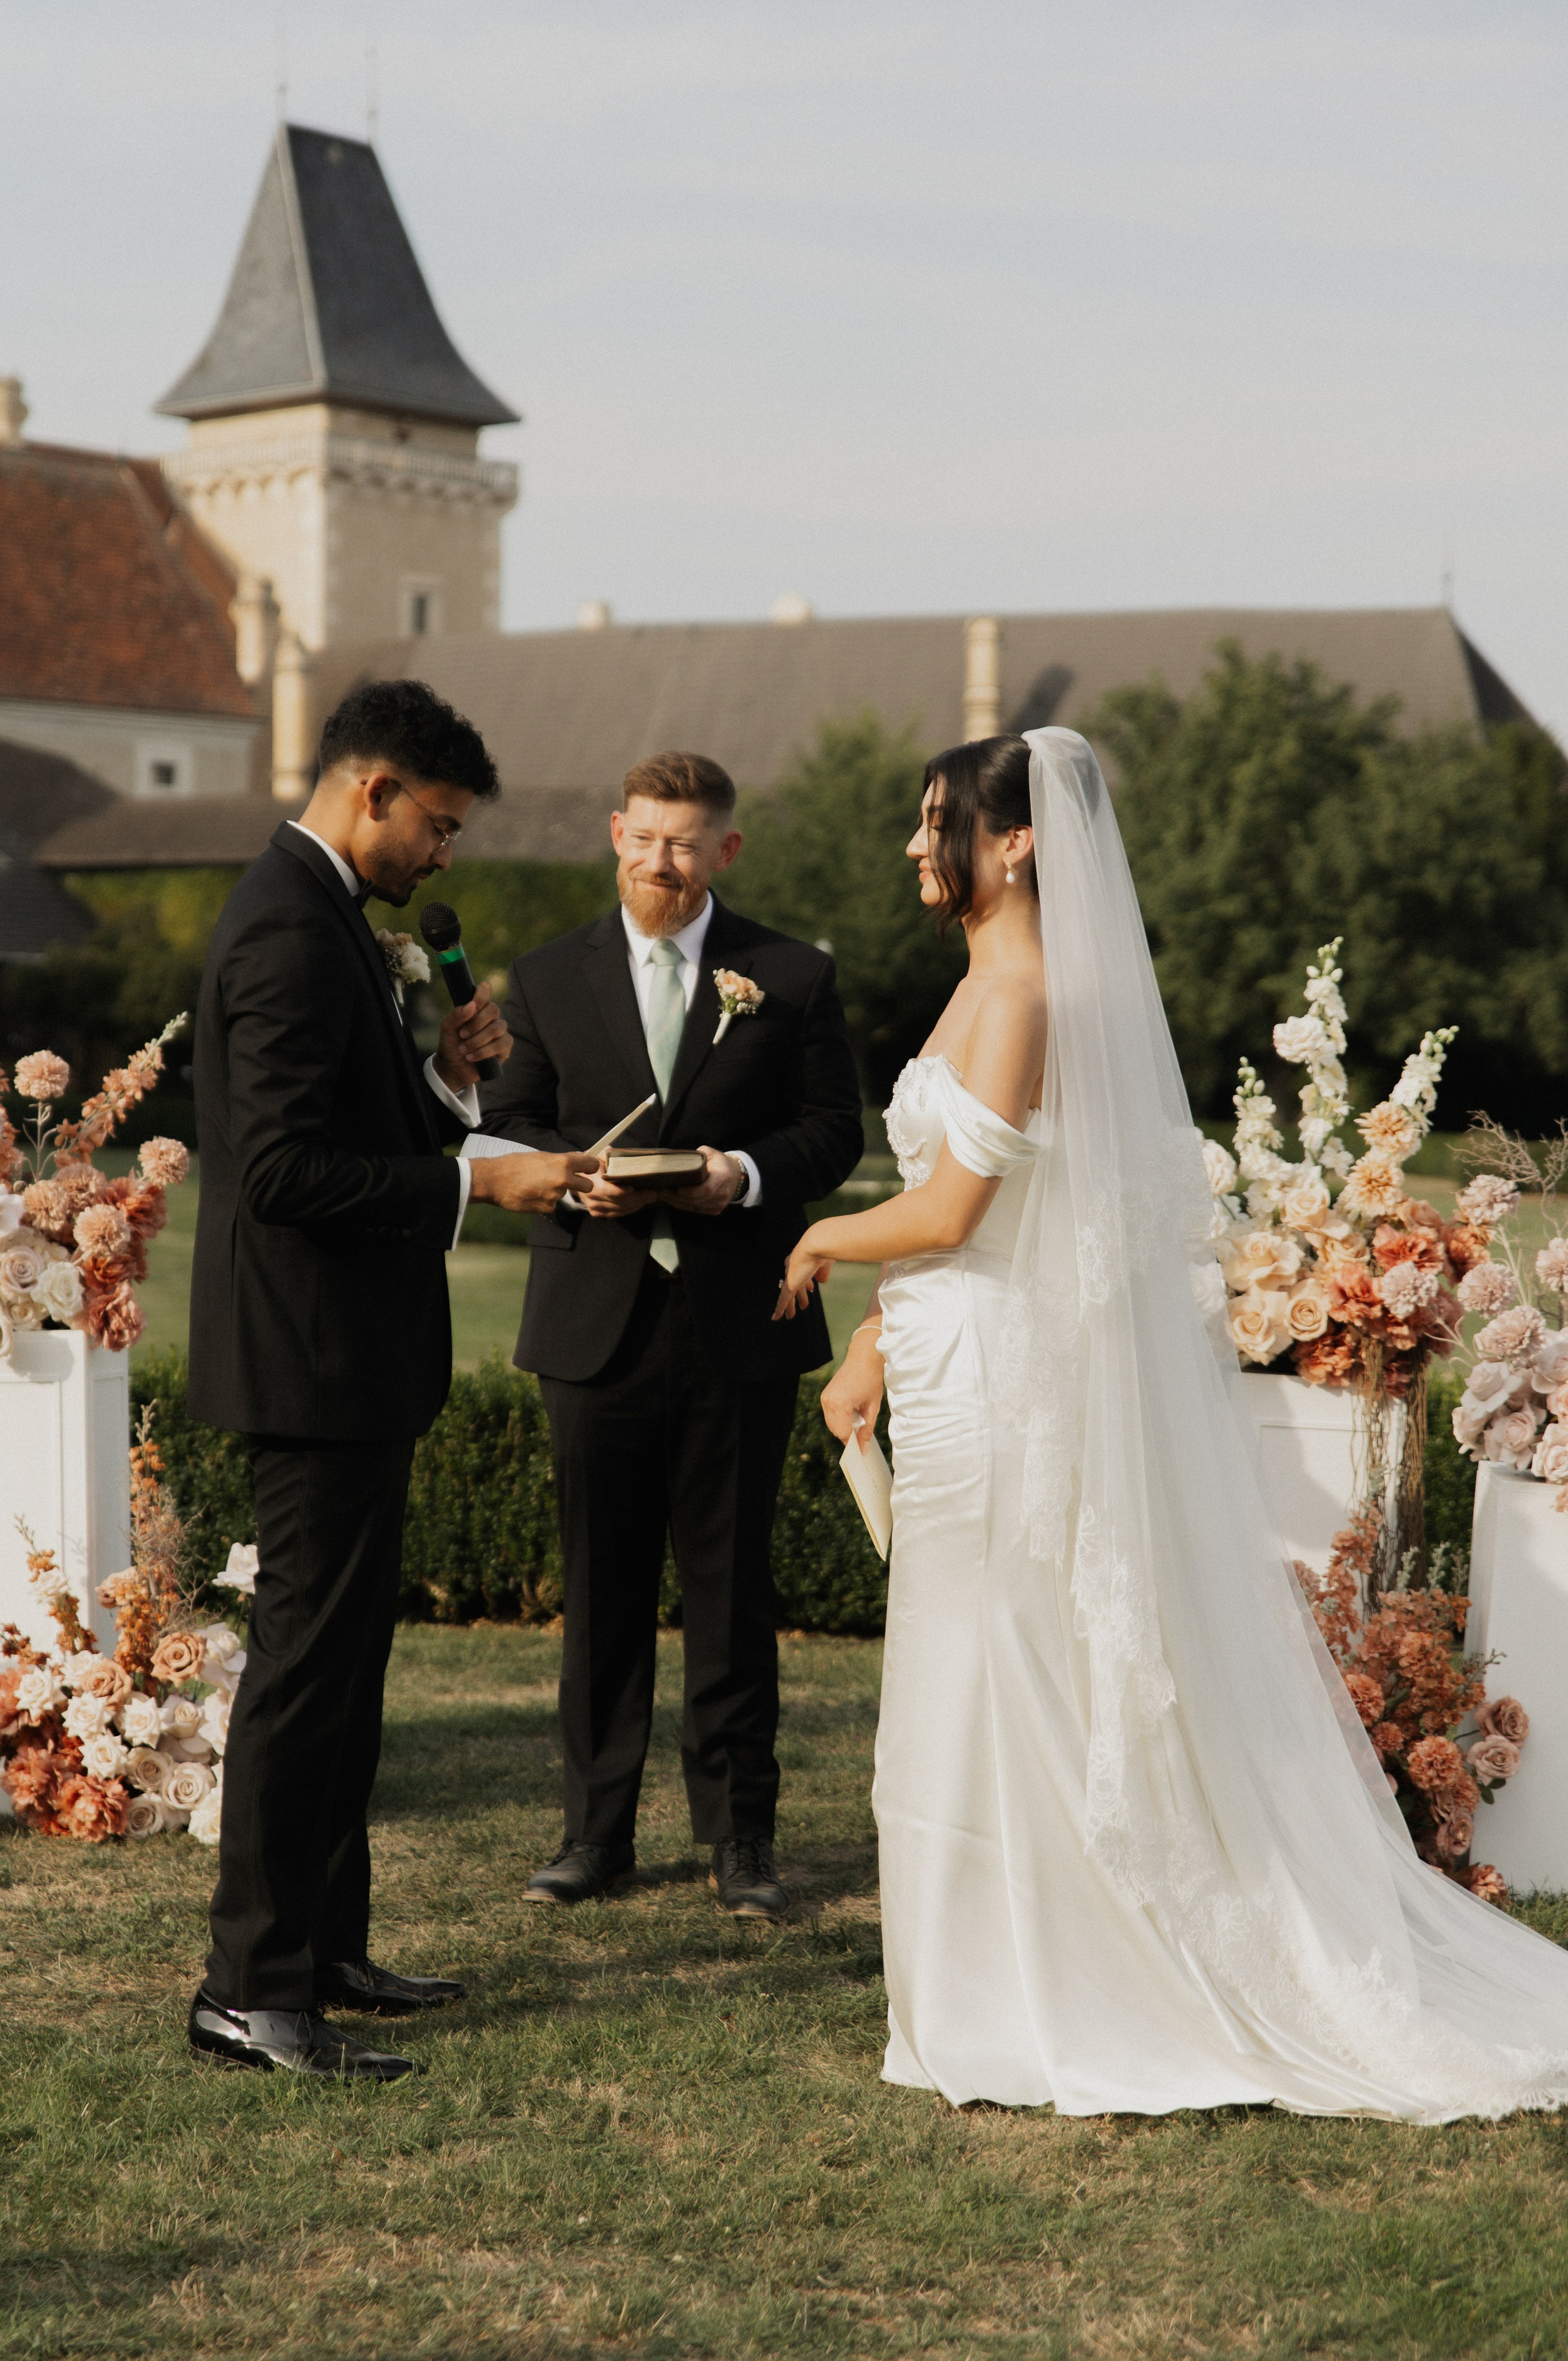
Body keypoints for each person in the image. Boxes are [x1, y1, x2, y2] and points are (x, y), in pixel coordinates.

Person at [775, 727, 1568, 2121]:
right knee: (962, 1656)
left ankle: (1053, 1979)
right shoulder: (980, 986)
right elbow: (1002, 1230)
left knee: (1015, 1658)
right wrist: (880, 1349)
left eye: (934, 820)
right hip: (957, 1357)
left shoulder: (1021, 1000)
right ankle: (969, 1975)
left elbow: (954, 1215)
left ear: (1014, 841)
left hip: (1008, 1383)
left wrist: (823, 1241)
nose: (914, 844)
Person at [187, 680, 596, 2079]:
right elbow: (287, 1176)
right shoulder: (287, 935)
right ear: (370, 790)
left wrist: (442, 1088)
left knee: (348, 1669)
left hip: (350, 1355)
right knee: (303, 1675)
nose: (445, 856)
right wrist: (484, 1178)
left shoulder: (334, 926)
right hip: (308, 1360)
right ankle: (250, 1986)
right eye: (436, 824)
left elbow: (348, 1133)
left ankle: (326, 1947)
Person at [480, 750, 864, 1918]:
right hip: (595, 1316)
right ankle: (595, 1838)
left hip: (737, 1322)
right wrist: (565, 1180)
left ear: (725, 851)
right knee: (599, 1592)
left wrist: (739, 1176)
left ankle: (741, 1840)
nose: (664, 861)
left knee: (734, 1593)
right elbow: (507, 1126)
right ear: (614, 833)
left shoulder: (790, 976)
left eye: (687, 843)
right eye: (646, 838)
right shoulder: (546, 979)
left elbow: (833, 1132)